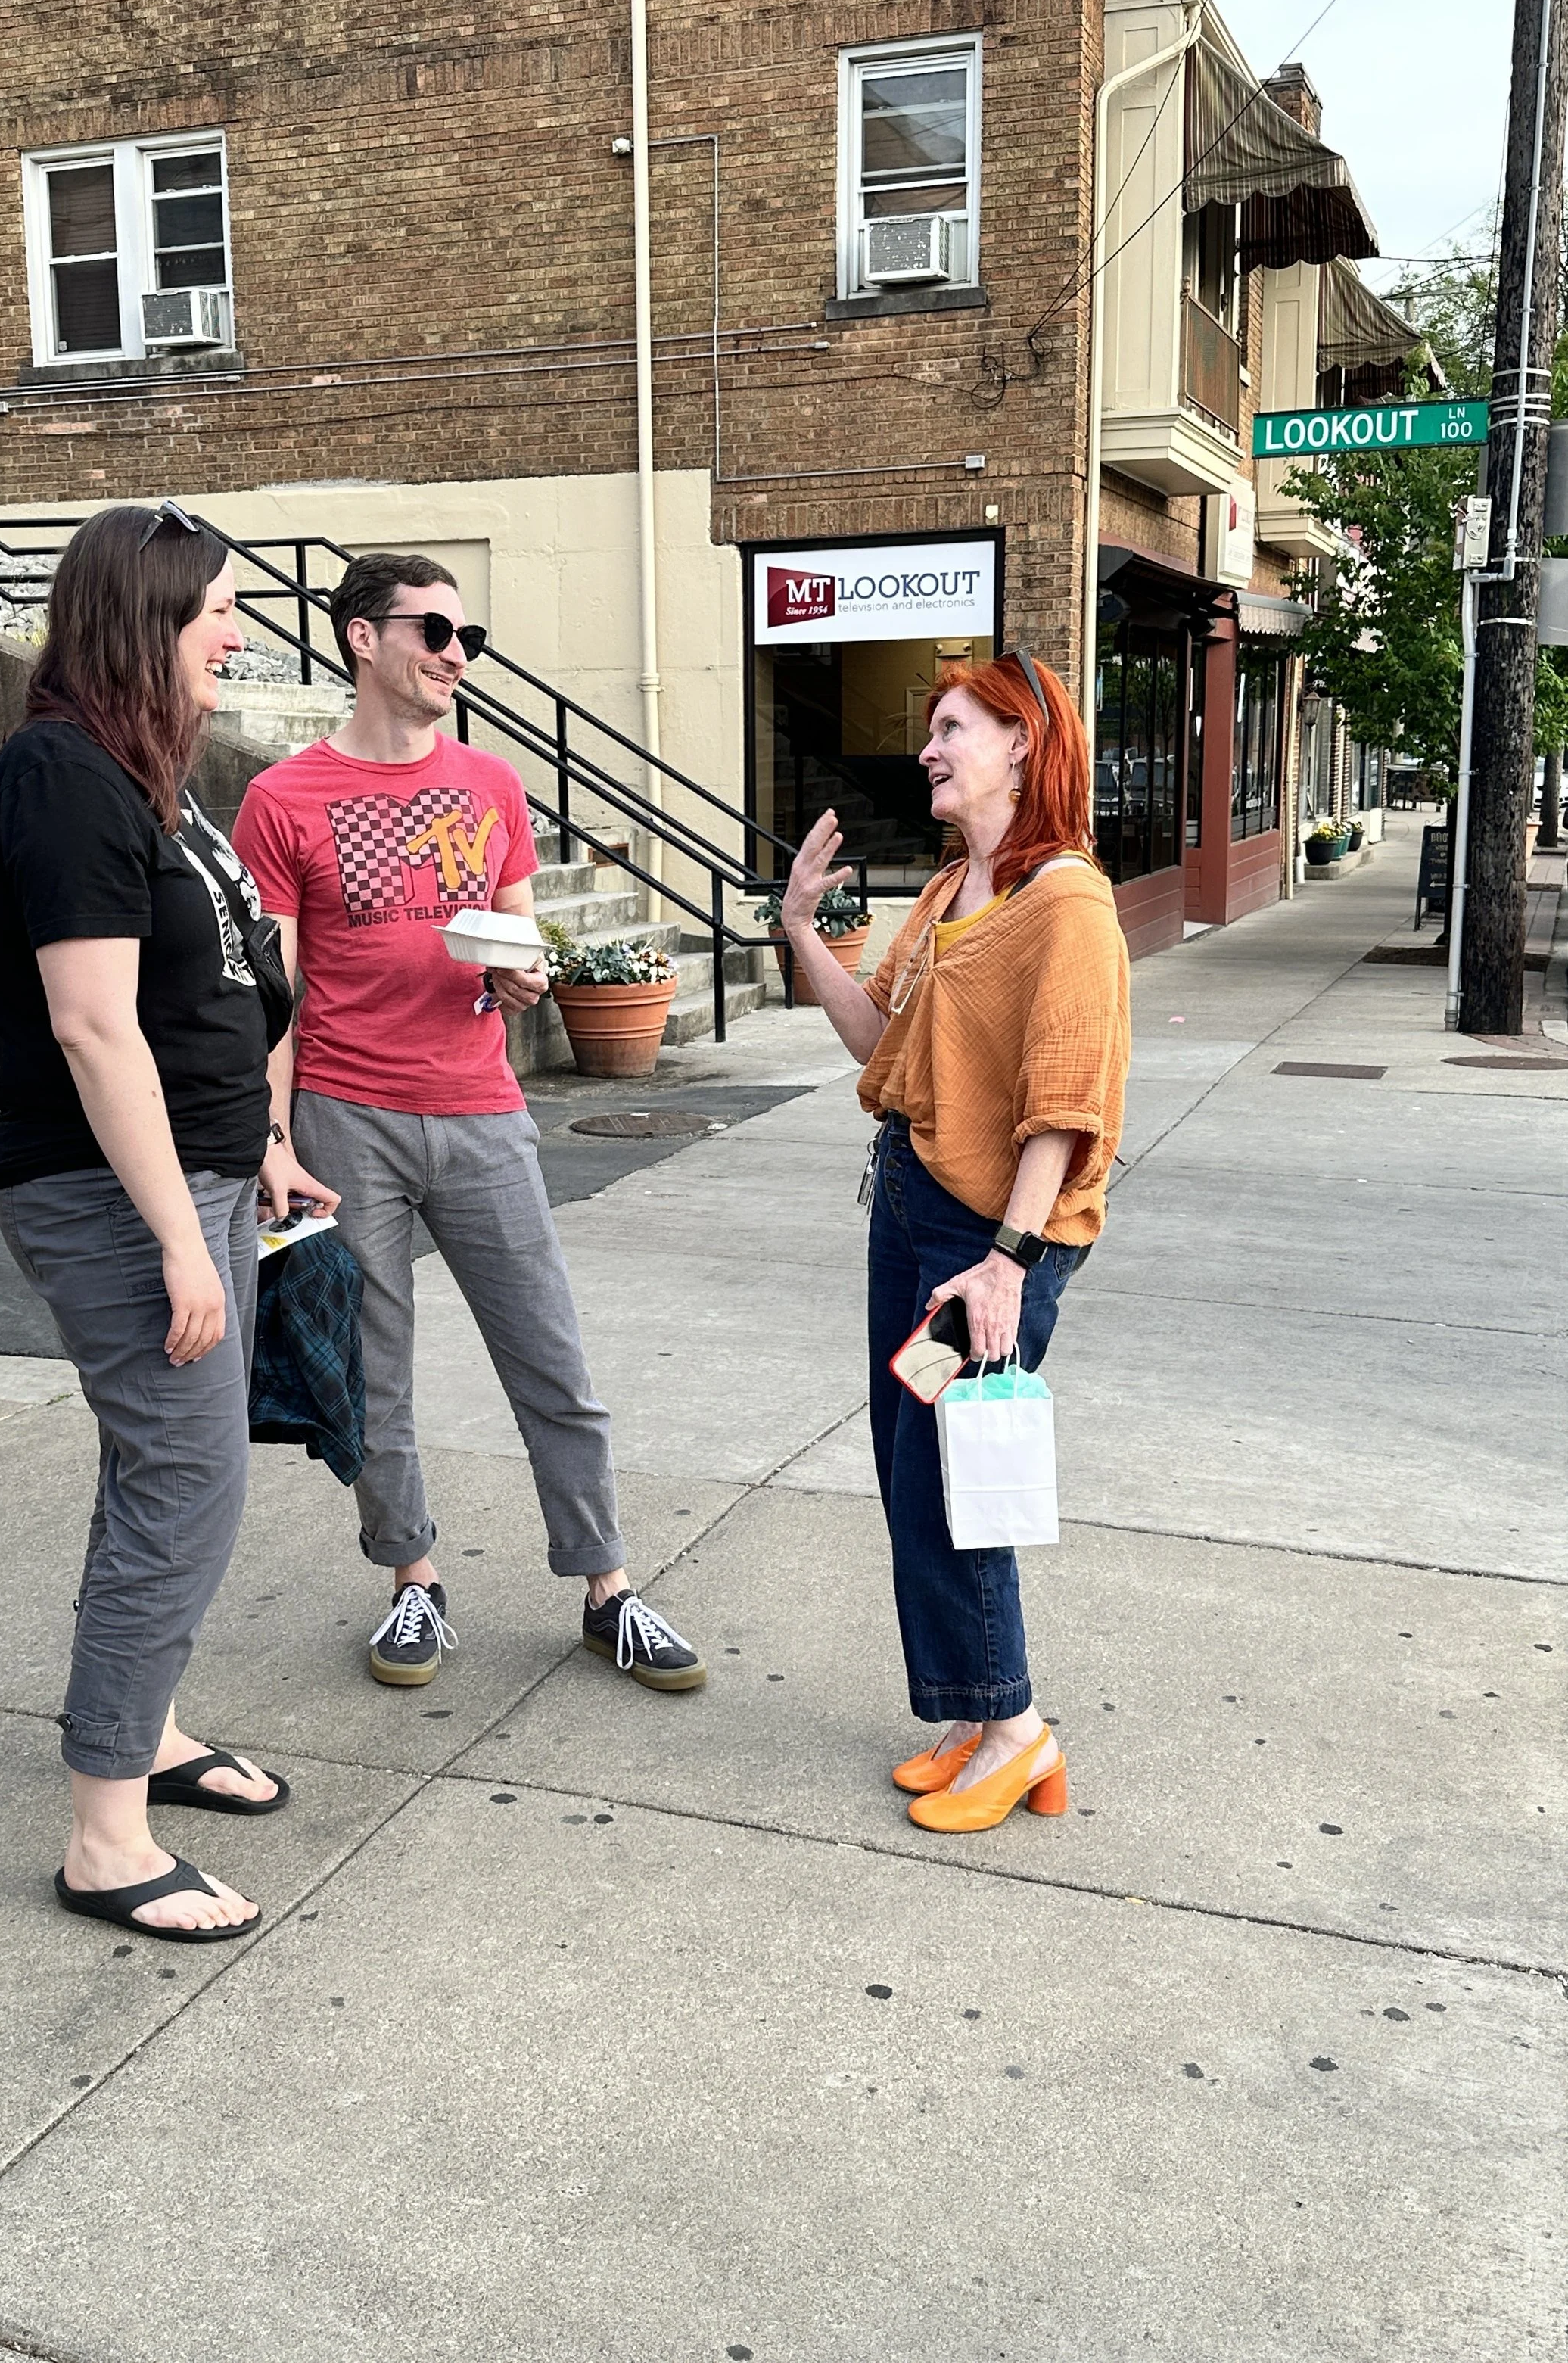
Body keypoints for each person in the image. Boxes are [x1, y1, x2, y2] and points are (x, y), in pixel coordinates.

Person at [232, 551, 705, 1695]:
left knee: (549, 1351)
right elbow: (273, 994)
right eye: (435, 631)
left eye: (466, 638)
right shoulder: (283, 799)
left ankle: (607, 1588)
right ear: (361, 637)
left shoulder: (490, 786)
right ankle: (412, 1581)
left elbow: (517, 932)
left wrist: (526, 977)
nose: (456, 654)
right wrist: (274, 1138)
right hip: (349, 1111)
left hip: (483, 1104)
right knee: (375, 1370)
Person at [0, 501, 338, 1939]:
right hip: (112, 1198)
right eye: (215, 612)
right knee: (187, 1487)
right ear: (143, 622)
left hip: (188, 1182)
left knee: (159, 1478)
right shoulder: (60, 775)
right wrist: (183, 1241)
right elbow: (92, 1027)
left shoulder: (147, 776)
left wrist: (261, 1150)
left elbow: (210, 998)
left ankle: (154, 1731)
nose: (239, 632)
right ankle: (104, 1841)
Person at [779, 649, 1129, 1833]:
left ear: (1024, 742)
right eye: (931, 729)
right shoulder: (946, 893)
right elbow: (880, 1043)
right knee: (908, 1467)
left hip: (993, 1232)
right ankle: (977, 1714)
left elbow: (1068, 1099)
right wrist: (798, 931)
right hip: (914, 1203)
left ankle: (1018, 1731)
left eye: (953, 728)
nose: (928, 748)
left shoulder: (1065, 901)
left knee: (956, 1479)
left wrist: (1010, 1260)